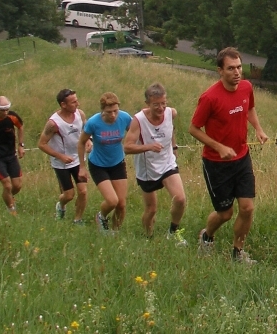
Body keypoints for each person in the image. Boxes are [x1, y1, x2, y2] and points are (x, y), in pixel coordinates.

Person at [190, 47, 269, 263]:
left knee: (247, 208)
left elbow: (249, 109)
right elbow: (194, 129)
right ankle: (207, 236)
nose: (237, 72)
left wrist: (258, 129)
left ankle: (237, 252)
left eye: (239, 67)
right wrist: (219, 147)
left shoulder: (246, 87)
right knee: (225, 213)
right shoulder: (209, 98)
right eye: (231, 68)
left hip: (242, 158)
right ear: (220, 71)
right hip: (216, 163)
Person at [123, 82, 187, 244]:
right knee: (151, 209)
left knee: (180, 199)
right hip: (147, 169)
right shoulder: (138, 120)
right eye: (156, 105)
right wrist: (149, 147)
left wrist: (174, 147)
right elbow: (127, 147)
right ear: (147, 104)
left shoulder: (171, 113)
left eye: (163, 103)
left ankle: (173, 232)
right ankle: (148, 237)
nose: (161, 108)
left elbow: (170, 129)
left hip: (167, 163)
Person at [78, 92, 133, 234]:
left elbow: (136, 131)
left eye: (116, 111)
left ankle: (115, 233)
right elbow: (81, 142)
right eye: (109, 112)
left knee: (121, 204)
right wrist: (82, 167)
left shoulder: (125, 117)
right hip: (98, 165)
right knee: (112, 201)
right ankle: (101, 216)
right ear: (102, 110)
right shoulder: (93, 122)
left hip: (117, 163)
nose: (113, 115)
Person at [37, 88, 89, 224]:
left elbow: (86, 131)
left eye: (77, 101)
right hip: (62, 164)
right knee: (69, 195)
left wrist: (89, 141)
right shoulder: (53, 123)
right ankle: (60, 205)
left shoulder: (80, 114)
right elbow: (41, 144)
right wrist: (60, 156)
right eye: (73, 102)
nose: (77, 104)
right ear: (63, 105)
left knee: (83, 192)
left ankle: (78, 219)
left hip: (79, 160)